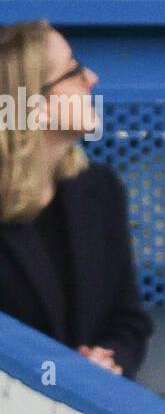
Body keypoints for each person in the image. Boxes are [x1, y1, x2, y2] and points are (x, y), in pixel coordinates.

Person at [0, 21, 151, 377]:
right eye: (73, 71)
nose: (92, 78)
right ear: (35, 105)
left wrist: (109, 359)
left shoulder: (100, 190)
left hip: (93, 403)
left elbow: (129, 320)